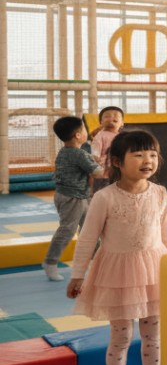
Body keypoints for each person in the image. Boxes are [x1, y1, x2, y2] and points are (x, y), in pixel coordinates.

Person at [66, 130, 167, 365]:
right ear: (116, 161)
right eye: (138, 154)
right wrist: (78, 275)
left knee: (154, 335)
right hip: (119, 273)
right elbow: (88, 238)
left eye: (152, 155)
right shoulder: (105, 197)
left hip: (155, 269)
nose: (147, 160)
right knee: (122, 336)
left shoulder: (160, 192)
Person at [44, 116, 104, 281]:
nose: (86, 132)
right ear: (78, 135)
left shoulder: (67, 151)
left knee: (91, 229)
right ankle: (50, 262)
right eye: (84, 129)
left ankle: (98, 262)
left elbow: (86, 152)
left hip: (74, 196)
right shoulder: (78, 154)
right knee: (67, 230)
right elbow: (99, 173)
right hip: (73, 198)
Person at [90, 105, 124, 194]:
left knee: (117, 195)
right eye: (107, 116)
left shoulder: (122, 137)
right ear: (101, 122)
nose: (111, 117)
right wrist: (96, 171)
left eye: (116, 115)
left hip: (119, 173)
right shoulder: (100, 136)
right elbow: (94, 154)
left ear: (122, 123)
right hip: (103, 175)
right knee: (102, 195)